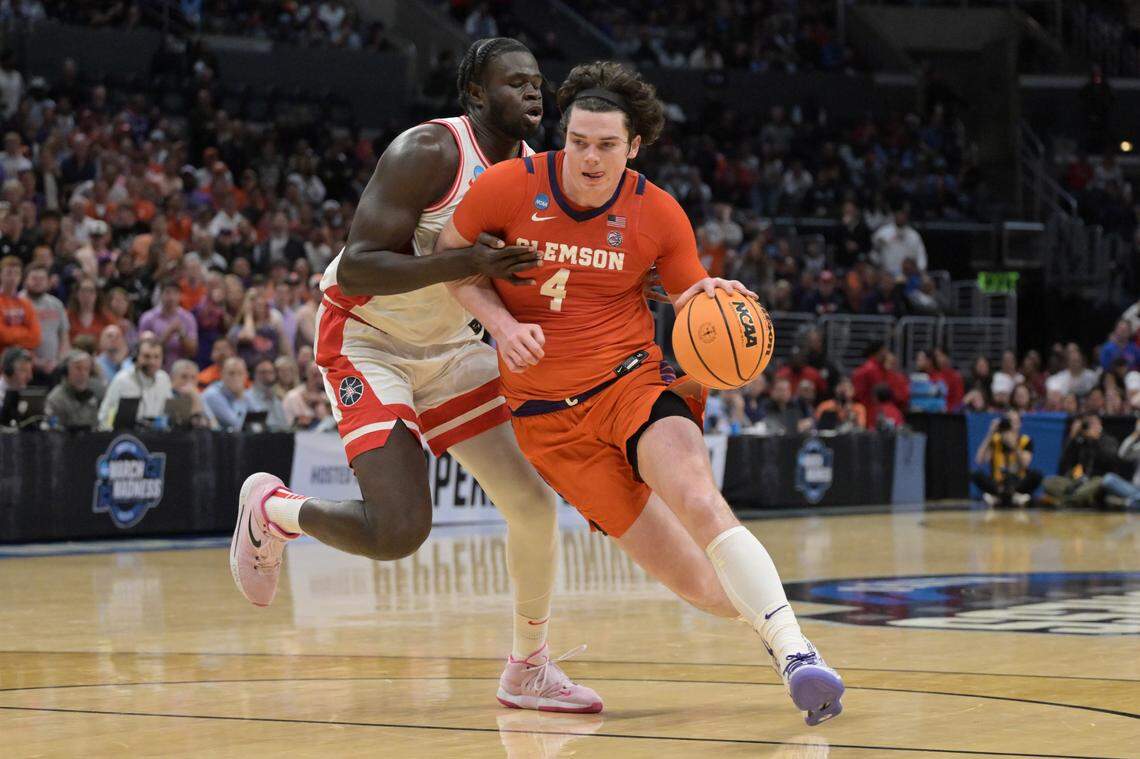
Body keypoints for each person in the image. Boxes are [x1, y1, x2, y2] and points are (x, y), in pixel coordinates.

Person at [438, 60, 844, 725]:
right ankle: (783, 636)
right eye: (578, 142)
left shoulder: (656, 211)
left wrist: (716, 299)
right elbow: (452, 262)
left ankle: (796, 653)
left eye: (606, 145)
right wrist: (502, 324)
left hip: (631, 384)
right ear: (562, 138)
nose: (590, 157)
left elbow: (691, 296)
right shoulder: (509, 187)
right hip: (550, 426)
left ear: (633, 148)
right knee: (704, 589)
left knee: (698, 498)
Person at [229, 39, 601, 713]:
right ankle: (274, 511)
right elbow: (360, 265)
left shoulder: (531, 176)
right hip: (369, 339)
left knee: (533, 505)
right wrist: (465, 263)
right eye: (515, 82)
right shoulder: (428, 152)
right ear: (477, 95)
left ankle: (528, 666)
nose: (533, 93)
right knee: (398, 530)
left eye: (538, 82)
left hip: (453, 347)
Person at [1043, 414, 1125, 509]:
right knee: (1048, 482)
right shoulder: (1081, 441)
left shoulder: (1108, 440)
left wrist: (1096, 440)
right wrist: (1072, 437)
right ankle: (1078, 500)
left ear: (1100, 425)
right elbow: (1065, 462)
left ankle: (1066, 502)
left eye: (1093, 423)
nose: (1090, 427)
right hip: (1080, 480)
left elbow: (1111, 460)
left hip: (1099, 479)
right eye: (1087, 424)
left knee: (1095, 483)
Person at [97, 336, 174, 429]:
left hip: (156, 436)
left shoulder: (164, 378)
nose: (152, 362)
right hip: (128, 436)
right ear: (136, 357)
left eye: (157, 357)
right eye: (147, 356)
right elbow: (104, 414)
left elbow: (169, 413)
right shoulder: (122, 379)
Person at [971, 412, 1042, 509]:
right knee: (976, 474)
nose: (1011, 425)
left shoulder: (1025, 440)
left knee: (1037, 474)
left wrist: (1014, 446)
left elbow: (1025, 464)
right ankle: (1010, 497)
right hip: (998, 483)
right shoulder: (995, 440)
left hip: (1018, 482)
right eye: (1009, 421)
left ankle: (1000, 497)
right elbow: (979, 460)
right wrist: (990, 433)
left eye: (1014, 421)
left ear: (1020, 424)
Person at [139, 280, 199, 372]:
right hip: (154, 368)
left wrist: (182, 334)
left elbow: (193, 352)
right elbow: (143, 350)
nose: (171, 297)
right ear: (161, 295)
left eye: (175, 293)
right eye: (167, 292)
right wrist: (168, 332)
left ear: (180, 296)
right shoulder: (148, 318)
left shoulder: (188, 318)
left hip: (180, 369)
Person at [45, 350, 102, 430]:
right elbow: (54, 433)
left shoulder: (91, 398)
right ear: (66, 371)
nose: (83, 374)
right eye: (78, 368)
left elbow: (96, 429)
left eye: (86, 369)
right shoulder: (56, 399)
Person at [0, 255, 40, 354]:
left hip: (22, 359)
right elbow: (2, 336)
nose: (13, 277)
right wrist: (23, 332)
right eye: (9, 273)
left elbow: (36, 337)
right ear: (1, 274)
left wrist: (12, 335)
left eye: (16, 273)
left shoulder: (26, 303)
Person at [202, 356, 253, 431]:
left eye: (240, 373)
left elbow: (259, 418)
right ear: (222, 374)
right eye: (231, 373)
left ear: (246, 376)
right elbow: (236, 424)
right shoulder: (212, 394)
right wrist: (240, 398)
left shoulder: (246, 392)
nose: (236, 377)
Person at [247, 357, 289, 431]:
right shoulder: (247, 398)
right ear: (254, 375)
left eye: (270, 372)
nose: (267, 376)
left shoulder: (278, 399)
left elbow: (284, 425)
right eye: (263, 372)